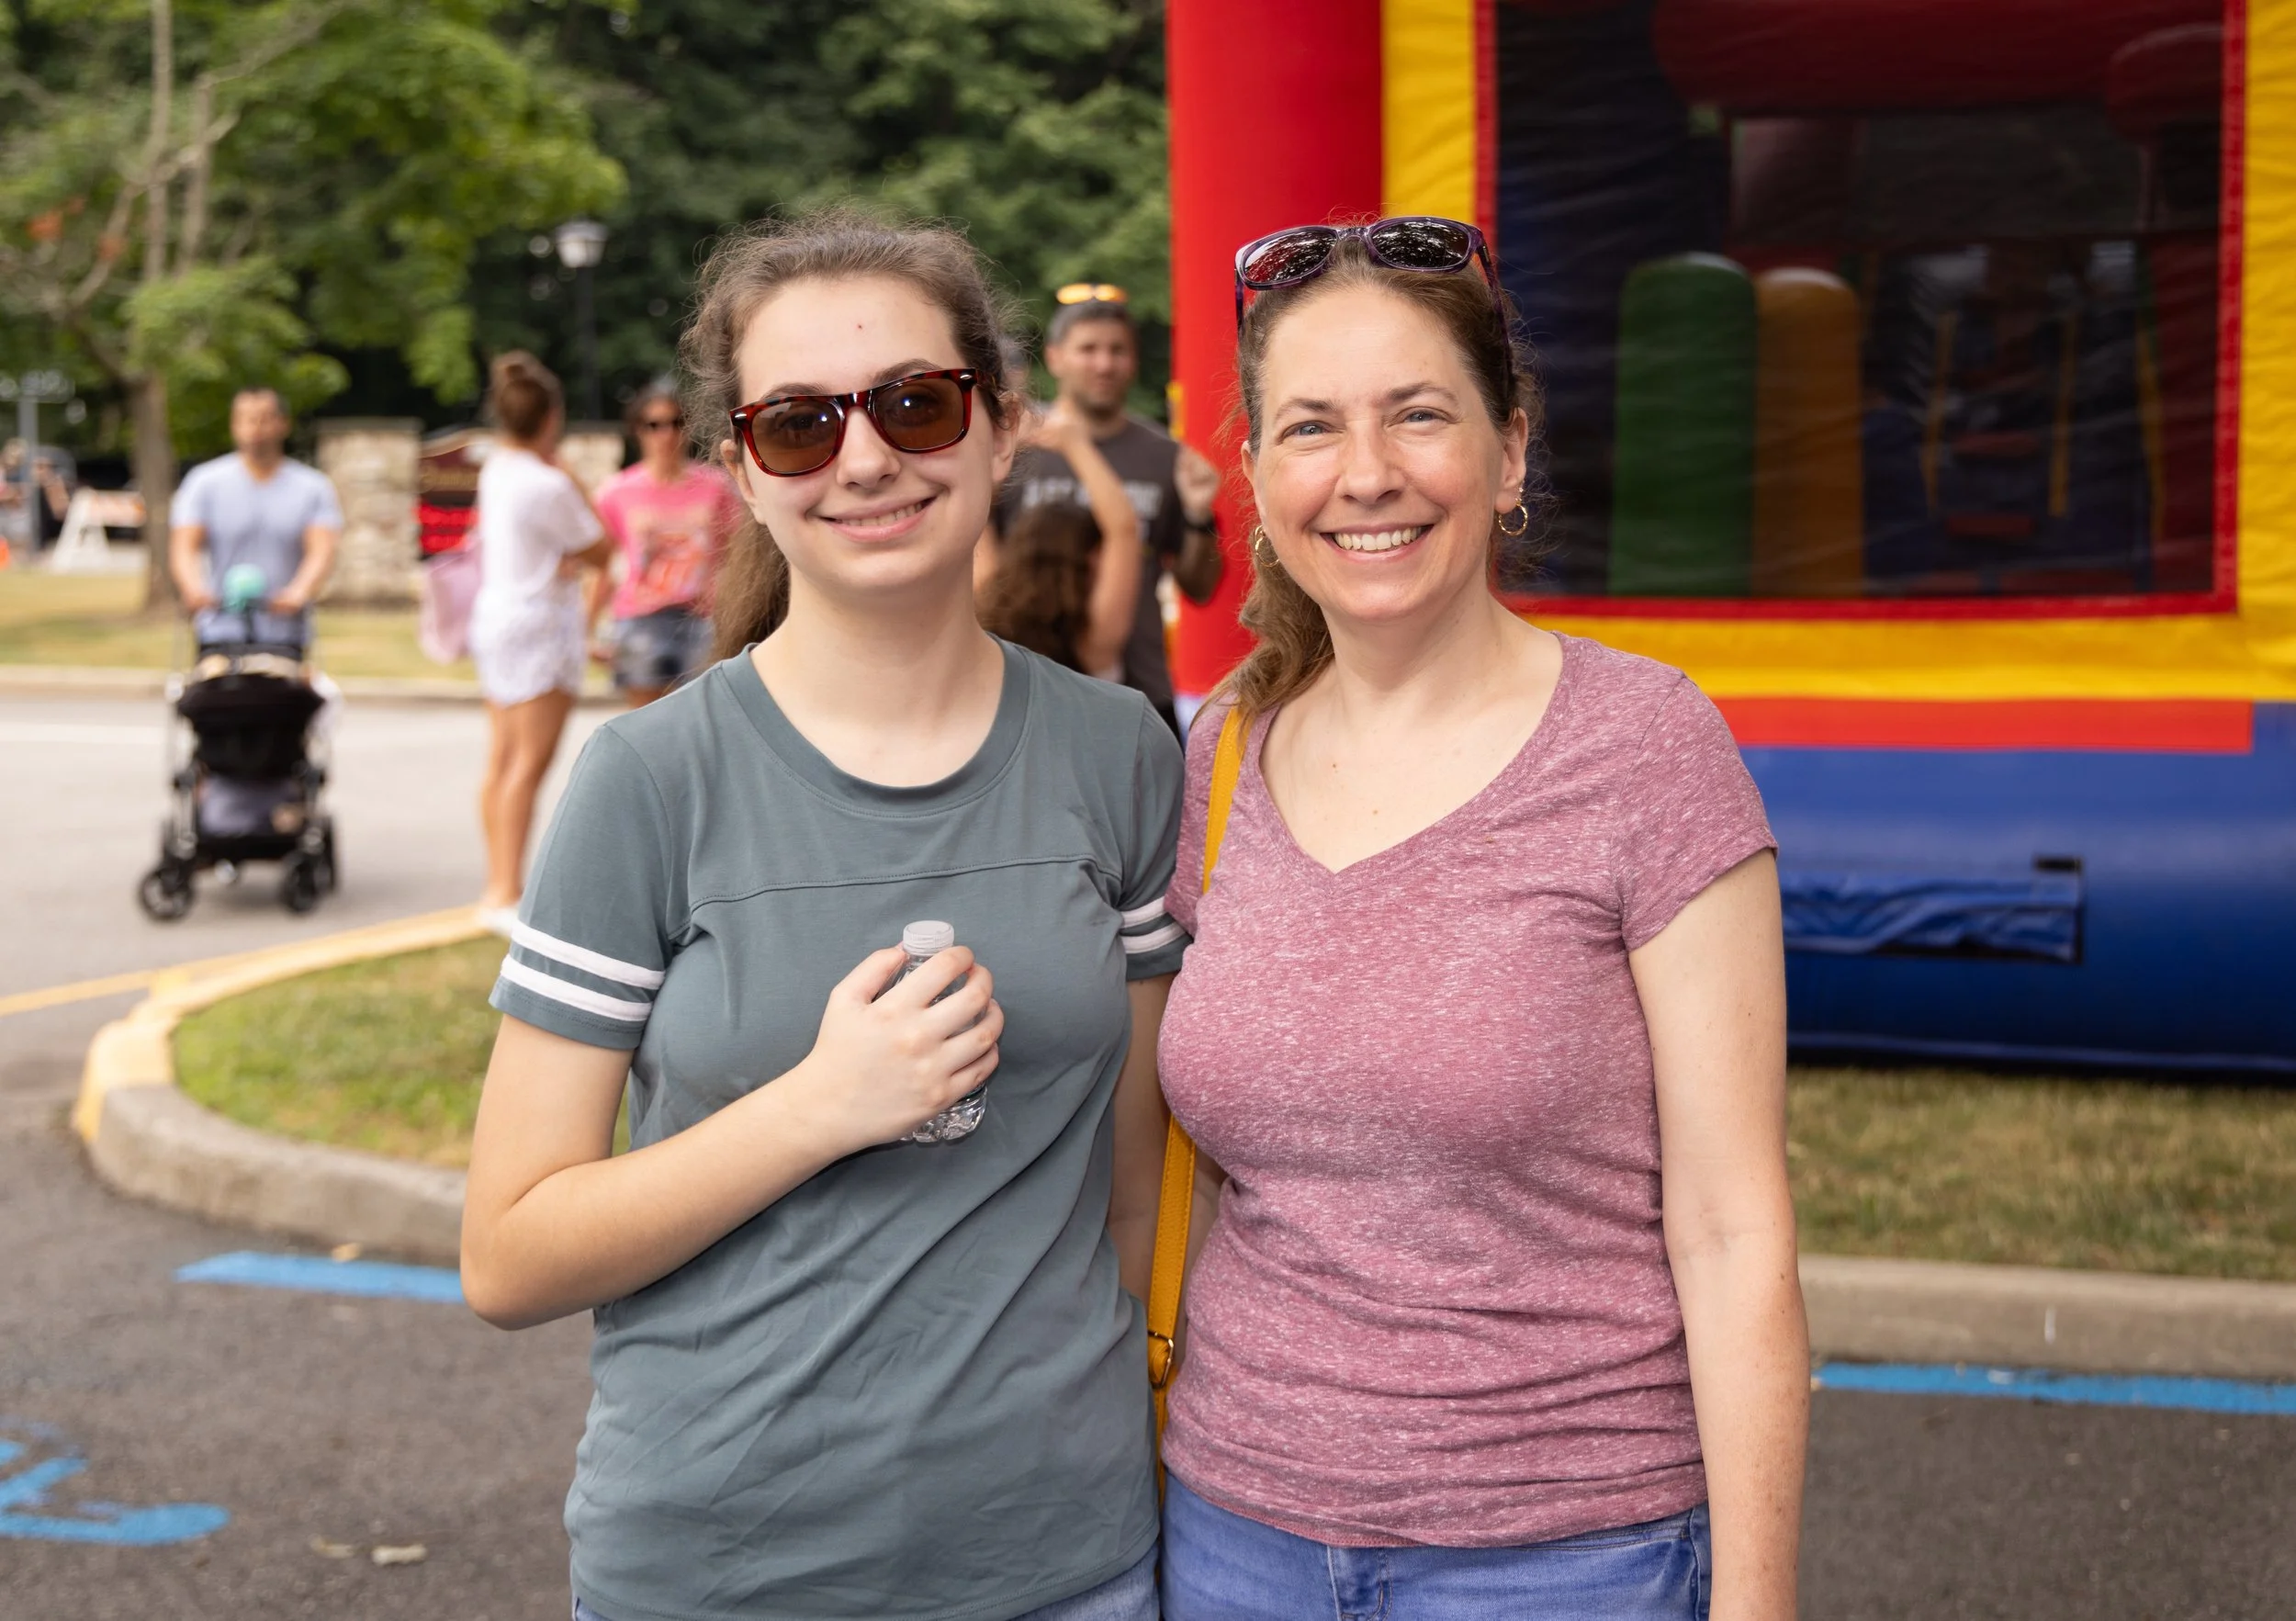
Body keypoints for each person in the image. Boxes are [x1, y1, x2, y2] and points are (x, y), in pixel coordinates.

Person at [459, 211, 1187, 1621]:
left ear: (1002, 424)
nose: (866, 459)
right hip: (725, 1570)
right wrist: (821, 1105)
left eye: (916, 403)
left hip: (1069, 1561)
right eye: (799, 423)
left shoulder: (1123, 756)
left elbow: (1139, 1187)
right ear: (739, 463)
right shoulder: (648, 781)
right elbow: (508, 1253)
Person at [1154, 221, 1807, 1619]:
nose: (1367, 473)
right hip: (1232, 1539)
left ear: (1509, 454)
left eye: (1418, 416)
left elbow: (1735, 1228)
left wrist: (1757, 1602)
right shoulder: (1220, 756)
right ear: (1259, 480)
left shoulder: (1643, 747)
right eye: (1311, 428)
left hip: (1569, 1555)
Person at [993, 285, 1223, 733]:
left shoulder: (1164, 456)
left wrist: (1199, 515)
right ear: (1056, 357)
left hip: (1139, 694)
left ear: (1133, 361)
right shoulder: (1017, 450)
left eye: (1118, 351)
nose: (1104, 363)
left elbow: (1200, 586)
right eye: (1089, 349)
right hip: (1027, 688)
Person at [467, 352, 615, 925]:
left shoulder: (496, 468)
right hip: (539, 626)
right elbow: (602, 546)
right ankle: (505, 893)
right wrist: (566, 467)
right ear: (552, 416)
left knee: (502, 759)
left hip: (496, 617)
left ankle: (497, 883)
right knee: (529, 764)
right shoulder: (547, 483)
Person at [588, 380, 744, 704]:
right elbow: (602, 564)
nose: (667, 434)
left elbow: (739, 559)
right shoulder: (617, 492)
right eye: (654, 425)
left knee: (704, 718)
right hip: (640, 618)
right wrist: (587, 628)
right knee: (645, 726)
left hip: (701, 618)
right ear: (638, 430)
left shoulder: (717, 488)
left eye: (677, 422)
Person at [976, 397, 1143, 679]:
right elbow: (1123, 531)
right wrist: (1076, 445)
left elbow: (977, 513)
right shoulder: (1092, 638)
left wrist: (1005, 448)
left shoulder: (988, 610)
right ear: (1090, 557)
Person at [168, 389, 342, 650]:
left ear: (284, 424)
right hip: (219, 629)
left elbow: (321, 549)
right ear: (234, 424)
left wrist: (299, 592)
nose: (255, 428)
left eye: (264, 418)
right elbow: (184, 545)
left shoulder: (312, 487)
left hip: (285, 632)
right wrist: (194, 589)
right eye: (246, 419)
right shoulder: (204, 482)